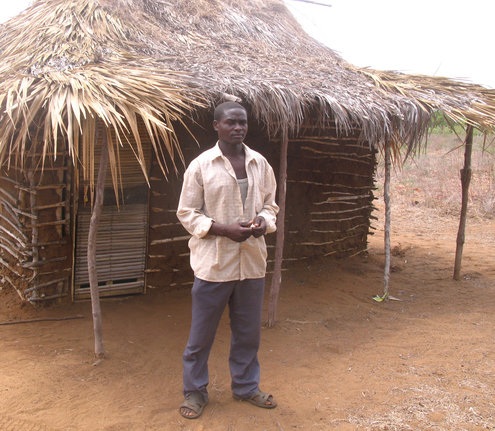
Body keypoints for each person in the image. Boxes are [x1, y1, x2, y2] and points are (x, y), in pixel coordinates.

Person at [176, 101, 279, 419]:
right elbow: (187, 213)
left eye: (243, 122)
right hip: (214, 265)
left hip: (250, 263)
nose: (238, 127)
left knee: (248, 333)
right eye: (231, 122)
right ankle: (195, 392)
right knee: (201, 335)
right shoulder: (201, 165)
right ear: (216, 126)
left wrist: (263, 222)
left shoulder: (260, 164)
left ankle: (246, 387)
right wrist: (222, 229)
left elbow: (270, 205)